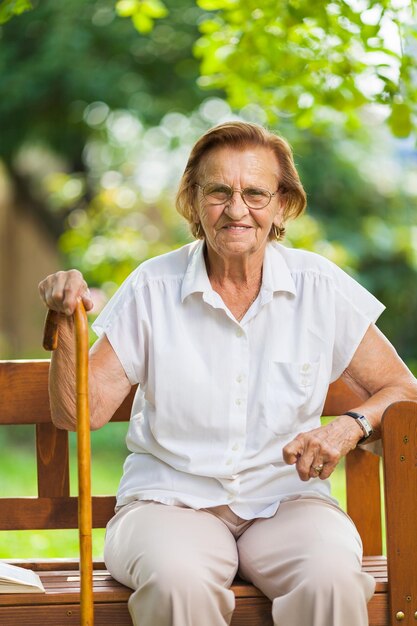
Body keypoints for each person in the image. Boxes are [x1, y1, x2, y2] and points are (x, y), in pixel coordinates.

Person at [38, 121, 417, 626]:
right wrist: (67, 322)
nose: (237, 209)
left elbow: (403, 389)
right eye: (219, 192)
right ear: (195, 201)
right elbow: (76, 414)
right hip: (169, 503)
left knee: (332, 579)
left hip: (288, 502)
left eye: (255, 193)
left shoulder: (319, 286)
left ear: (283, 204)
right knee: (178, 584)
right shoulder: (153, 286)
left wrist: (351, 426)